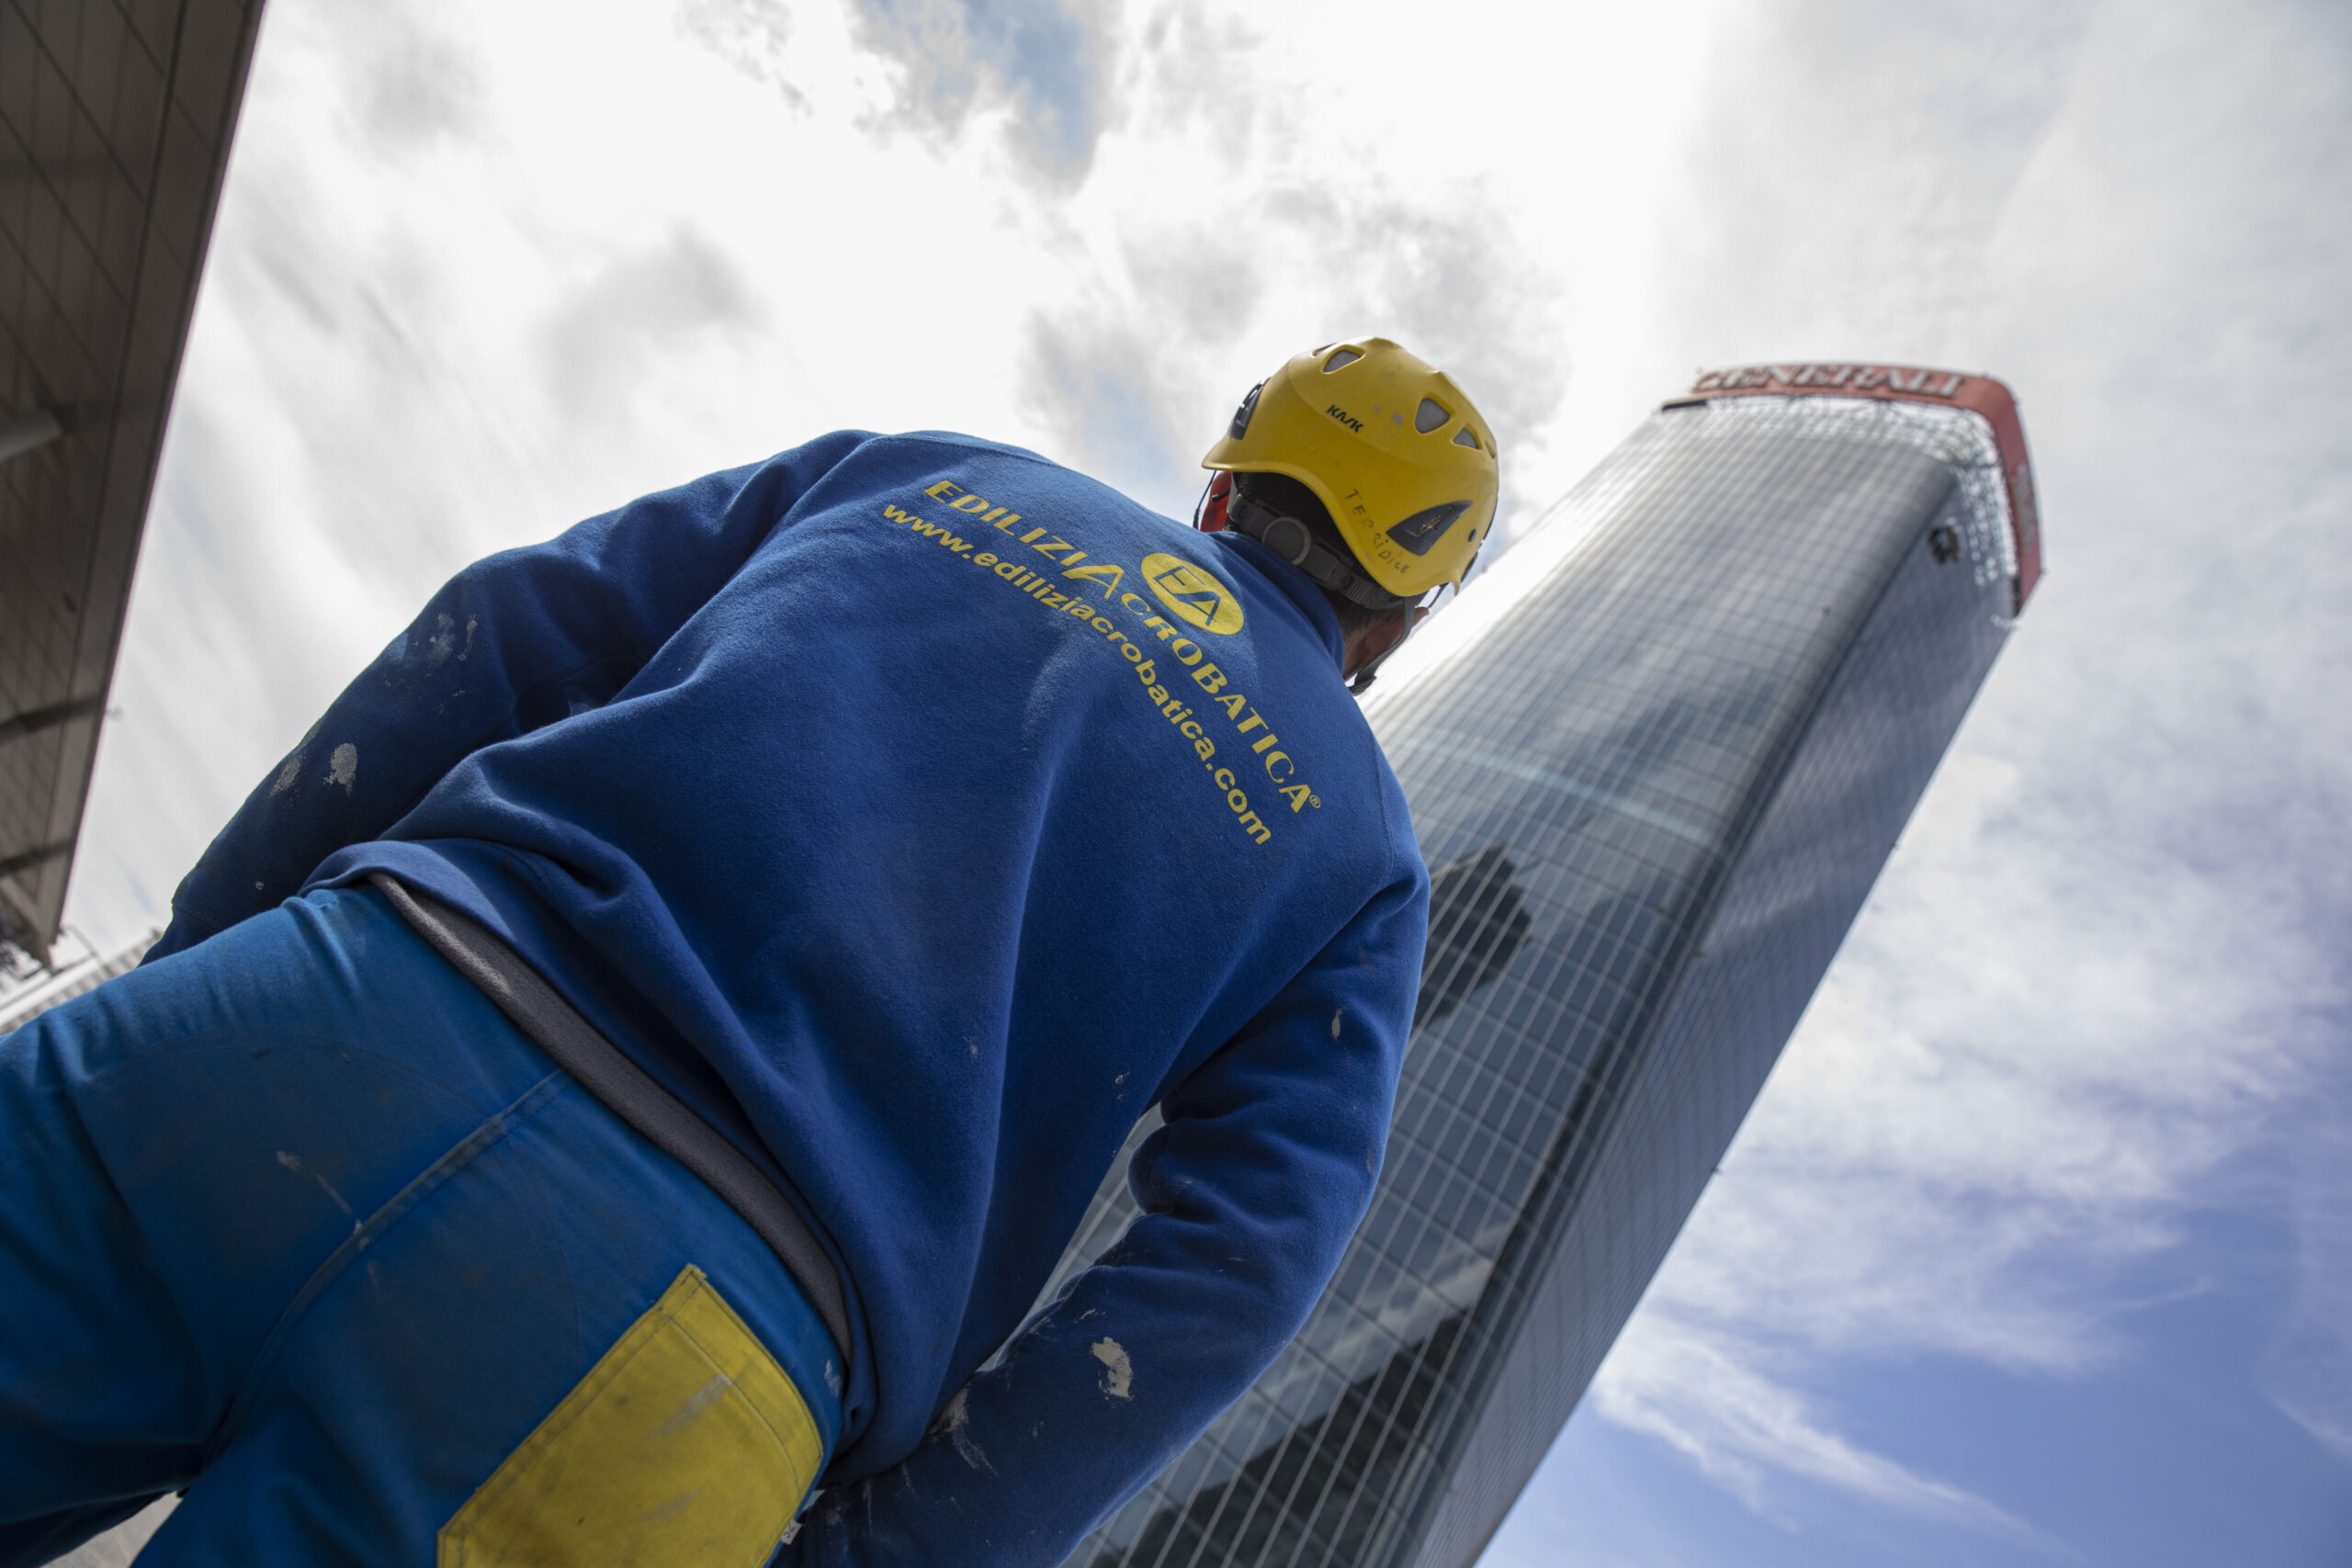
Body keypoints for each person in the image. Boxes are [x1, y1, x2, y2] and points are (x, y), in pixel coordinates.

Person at [0, 338, 1498, 1567]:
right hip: (681, 1338)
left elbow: (501, 628)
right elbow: (1238, 1264)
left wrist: (207, 960)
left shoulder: (929, 476)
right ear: (1401, 618)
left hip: (329, 1011)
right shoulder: (1360, 849)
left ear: (1226, 479)